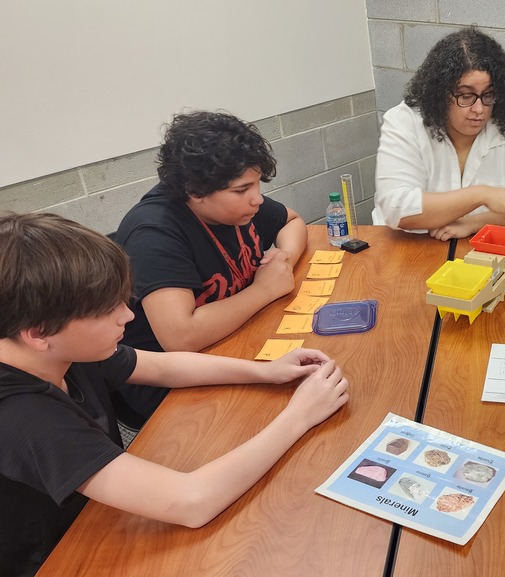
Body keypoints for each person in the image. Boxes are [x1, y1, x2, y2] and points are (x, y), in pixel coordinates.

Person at [0, 212, 350, 576]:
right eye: (106, 310)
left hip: (101, 513)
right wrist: (299, 416)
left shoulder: (59, 349)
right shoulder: (22, 416)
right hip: (60, 557)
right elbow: (191, 502)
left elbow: (162, 367)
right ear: (38, 333)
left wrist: (264, 371)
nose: (128, 316)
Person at [115, 110, 307, 423]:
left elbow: (293, 221)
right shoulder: (154, 232)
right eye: (242, 189)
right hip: (172, 384)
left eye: (256, 184)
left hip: (234, 338)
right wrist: (265, 290)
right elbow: (181, 337)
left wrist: (284, 257)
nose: (257, 199)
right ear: (195, 191)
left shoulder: (235, 208)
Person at [372, 27, 505, 241]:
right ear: (439, 94)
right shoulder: (405, 122)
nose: (479, 109)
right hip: (407, 248)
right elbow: (396, 208)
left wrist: (474, 222)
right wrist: (481, 195)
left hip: (482, 248)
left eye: (488, 95)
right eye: (465, 96)